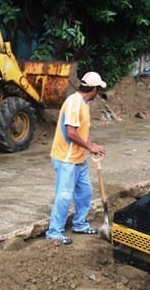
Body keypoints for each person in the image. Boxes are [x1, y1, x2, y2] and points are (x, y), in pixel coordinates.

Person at [45, 72, 107, 245]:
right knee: (64, 196)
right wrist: (90, 147)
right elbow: (71, 132)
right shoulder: (73, 103)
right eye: (98, 89)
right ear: (93, 89)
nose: (98, 93)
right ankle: (54, 232)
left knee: (85, 192)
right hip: (66, 158)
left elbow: (79, 132)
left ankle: (79, 224)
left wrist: (90, 145)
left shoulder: (84, 103)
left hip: (78, 158)